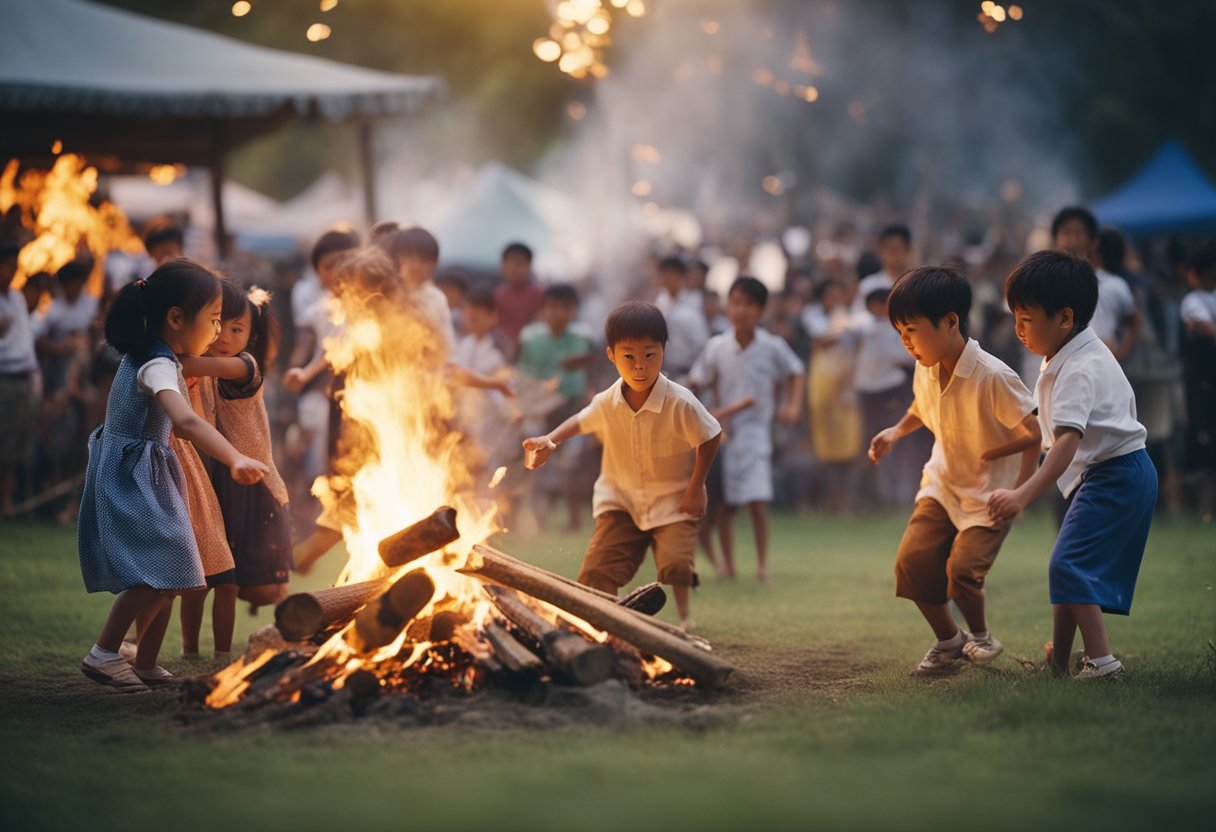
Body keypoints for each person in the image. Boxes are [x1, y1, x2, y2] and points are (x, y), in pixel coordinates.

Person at [77, 260, 267, 692]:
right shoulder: (157, 365)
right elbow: (185, 422)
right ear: (177, 318)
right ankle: (105, 653)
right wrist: (235, 458)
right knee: (163, 569)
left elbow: (183, 423)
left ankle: (144, 662)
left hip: (150, 473)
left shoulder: (159, 357)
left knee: (178, 571)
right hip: (135, 477)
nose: (219, 333)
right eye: (214, 320)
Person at [990, 251, 1157, 680]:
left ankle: (1102, 664)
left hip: (1116, 475)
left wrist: (1022, 493)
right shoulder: (1069, 354)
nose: (1018, 329)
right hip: (1113, 474)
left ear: (1064, 319)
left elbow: (1065, 443)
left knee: (1068, 565)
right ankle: (1059, 665)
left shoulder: (1081, 367)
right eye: (1015, 318)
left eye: (1026, 319)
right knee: (1067, 566)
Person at [869, 266, 1040, 674]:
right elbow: (921, 408)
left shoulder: (993, 376)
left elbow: (1035, 433)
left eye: (911, 329)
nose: (906, 342)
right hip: (943, 483)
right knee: (912, 563)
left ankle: (980, 635)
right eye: (900, 332)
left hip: (991, 495)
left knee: (962, 572)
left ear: (950, 322)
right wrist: (895, 432)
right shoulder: (925, 363)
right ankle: (949, 641)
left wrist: (1019, 492)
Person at [522, 301, 722, 629]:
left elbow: (710, 435)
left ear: (664, 351)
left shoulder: (680, 401)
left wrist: (696, 485)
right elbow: (581, 420)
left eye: (649, 355)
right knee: (596, 571)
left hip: (673, 499)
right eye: (629, 356)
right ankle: (609, 623)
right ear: (611, 355)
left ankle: (685, 618)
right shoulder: (607, 401)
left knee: (675, 566)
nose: (640, 366)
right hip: (621, 500)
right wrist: (551, 440)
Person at [180, 282, 293, 614]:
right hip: (225, 475)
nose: (225, 336)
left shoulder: (244, 366)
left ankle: (281, 598)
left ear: (250, 337)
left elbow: (189, 365)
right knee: (215, 574)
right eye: (219, 325)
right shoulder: (212, 366)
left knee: (261, 588)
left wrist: (164, 348)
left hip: (255, 481)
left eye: (237, 328)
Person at [689, 276, 803, 582]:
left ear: (761, 310)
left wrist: (792, 405)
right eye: (736, 302)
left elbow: (795, 372)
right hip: (723, 435)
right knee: (725, 505)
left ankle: (762, 565)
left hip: (756, 433)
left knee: (757, 500)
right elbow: (698, 380)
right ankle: (728, 566)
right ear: (728, 306)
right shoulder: (717, 347)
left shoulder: (772, 346)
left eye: (749, 304)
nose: (741, 310)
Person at [517, 284, 593, 530]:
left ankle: (574, 519)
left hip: (571, 405)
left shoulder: (582, 336)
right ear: (543, 309)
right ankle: (534, 519)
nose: (558, 313)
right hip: (539, 407)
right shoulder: (530, 338)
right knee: (534, 461)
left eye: (565, 308)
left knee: (571, 466)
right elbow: (521, 373)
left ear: (574, 311)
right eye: (552, 307)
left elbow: (589, 365)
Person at [854, 288, 926, 507]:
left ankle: (899, 495)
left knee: (897, 442)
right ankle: (884, 496)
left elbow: (906, 358)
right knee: (879, 444)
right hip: (873, 394)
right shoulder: (869, 329)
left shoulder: (895, 328)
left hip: (891, 390)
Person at [1052, 206, 1140, 362]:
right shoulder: (1045, 284)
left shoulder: (1113, 285)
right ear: (1056, 238)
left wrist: (1121, 354)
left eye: (1078, 233)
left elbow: (1134, 321)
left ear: (1092, 241)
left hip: (1102, 366)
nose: (1072, 240)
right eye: (1066, 232)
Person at [0, 240, 38, 516]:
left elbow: (25, 341)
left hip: (22, 376)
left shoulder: (16, 298)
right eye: (8, 265)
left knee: (15, 445)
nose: (12, 271)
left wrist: (34, 373)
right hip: (4, 377)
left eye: (15, 266)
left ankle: (8, 503)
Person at [1179, 242, 1216, 518]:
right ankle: (1204, 507)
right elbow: (1205, 328)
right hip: (1202, 381)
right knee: (1203, 438)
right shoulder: (1193, 302)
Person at [653, 255, 710, 382]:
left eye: (670, 275)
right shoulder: (660, 302)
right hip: (664, 372)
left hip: (687, 372)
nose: (665, 279)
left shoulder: (693, 304)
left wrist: (696, 376)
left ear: (680, 277)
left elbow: (703, 347)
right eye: (663, 274)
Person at [494, 242, 545, 358]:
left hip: (531, 353)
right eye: (511, 263)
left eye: (520, 264)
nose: (515, 268)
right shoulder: (497, 295)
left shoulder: (539, 295)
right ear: (503, 266)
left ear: (529, 267)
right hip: (502, 353)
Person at [855, 224, 912, 318]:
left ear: (908, 250)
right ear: (880, 252)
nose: (894, 255)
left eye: (898, 249)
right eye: (890, 250)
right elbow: (858, 317)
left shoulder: (917, 284)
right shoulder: (869, 285)